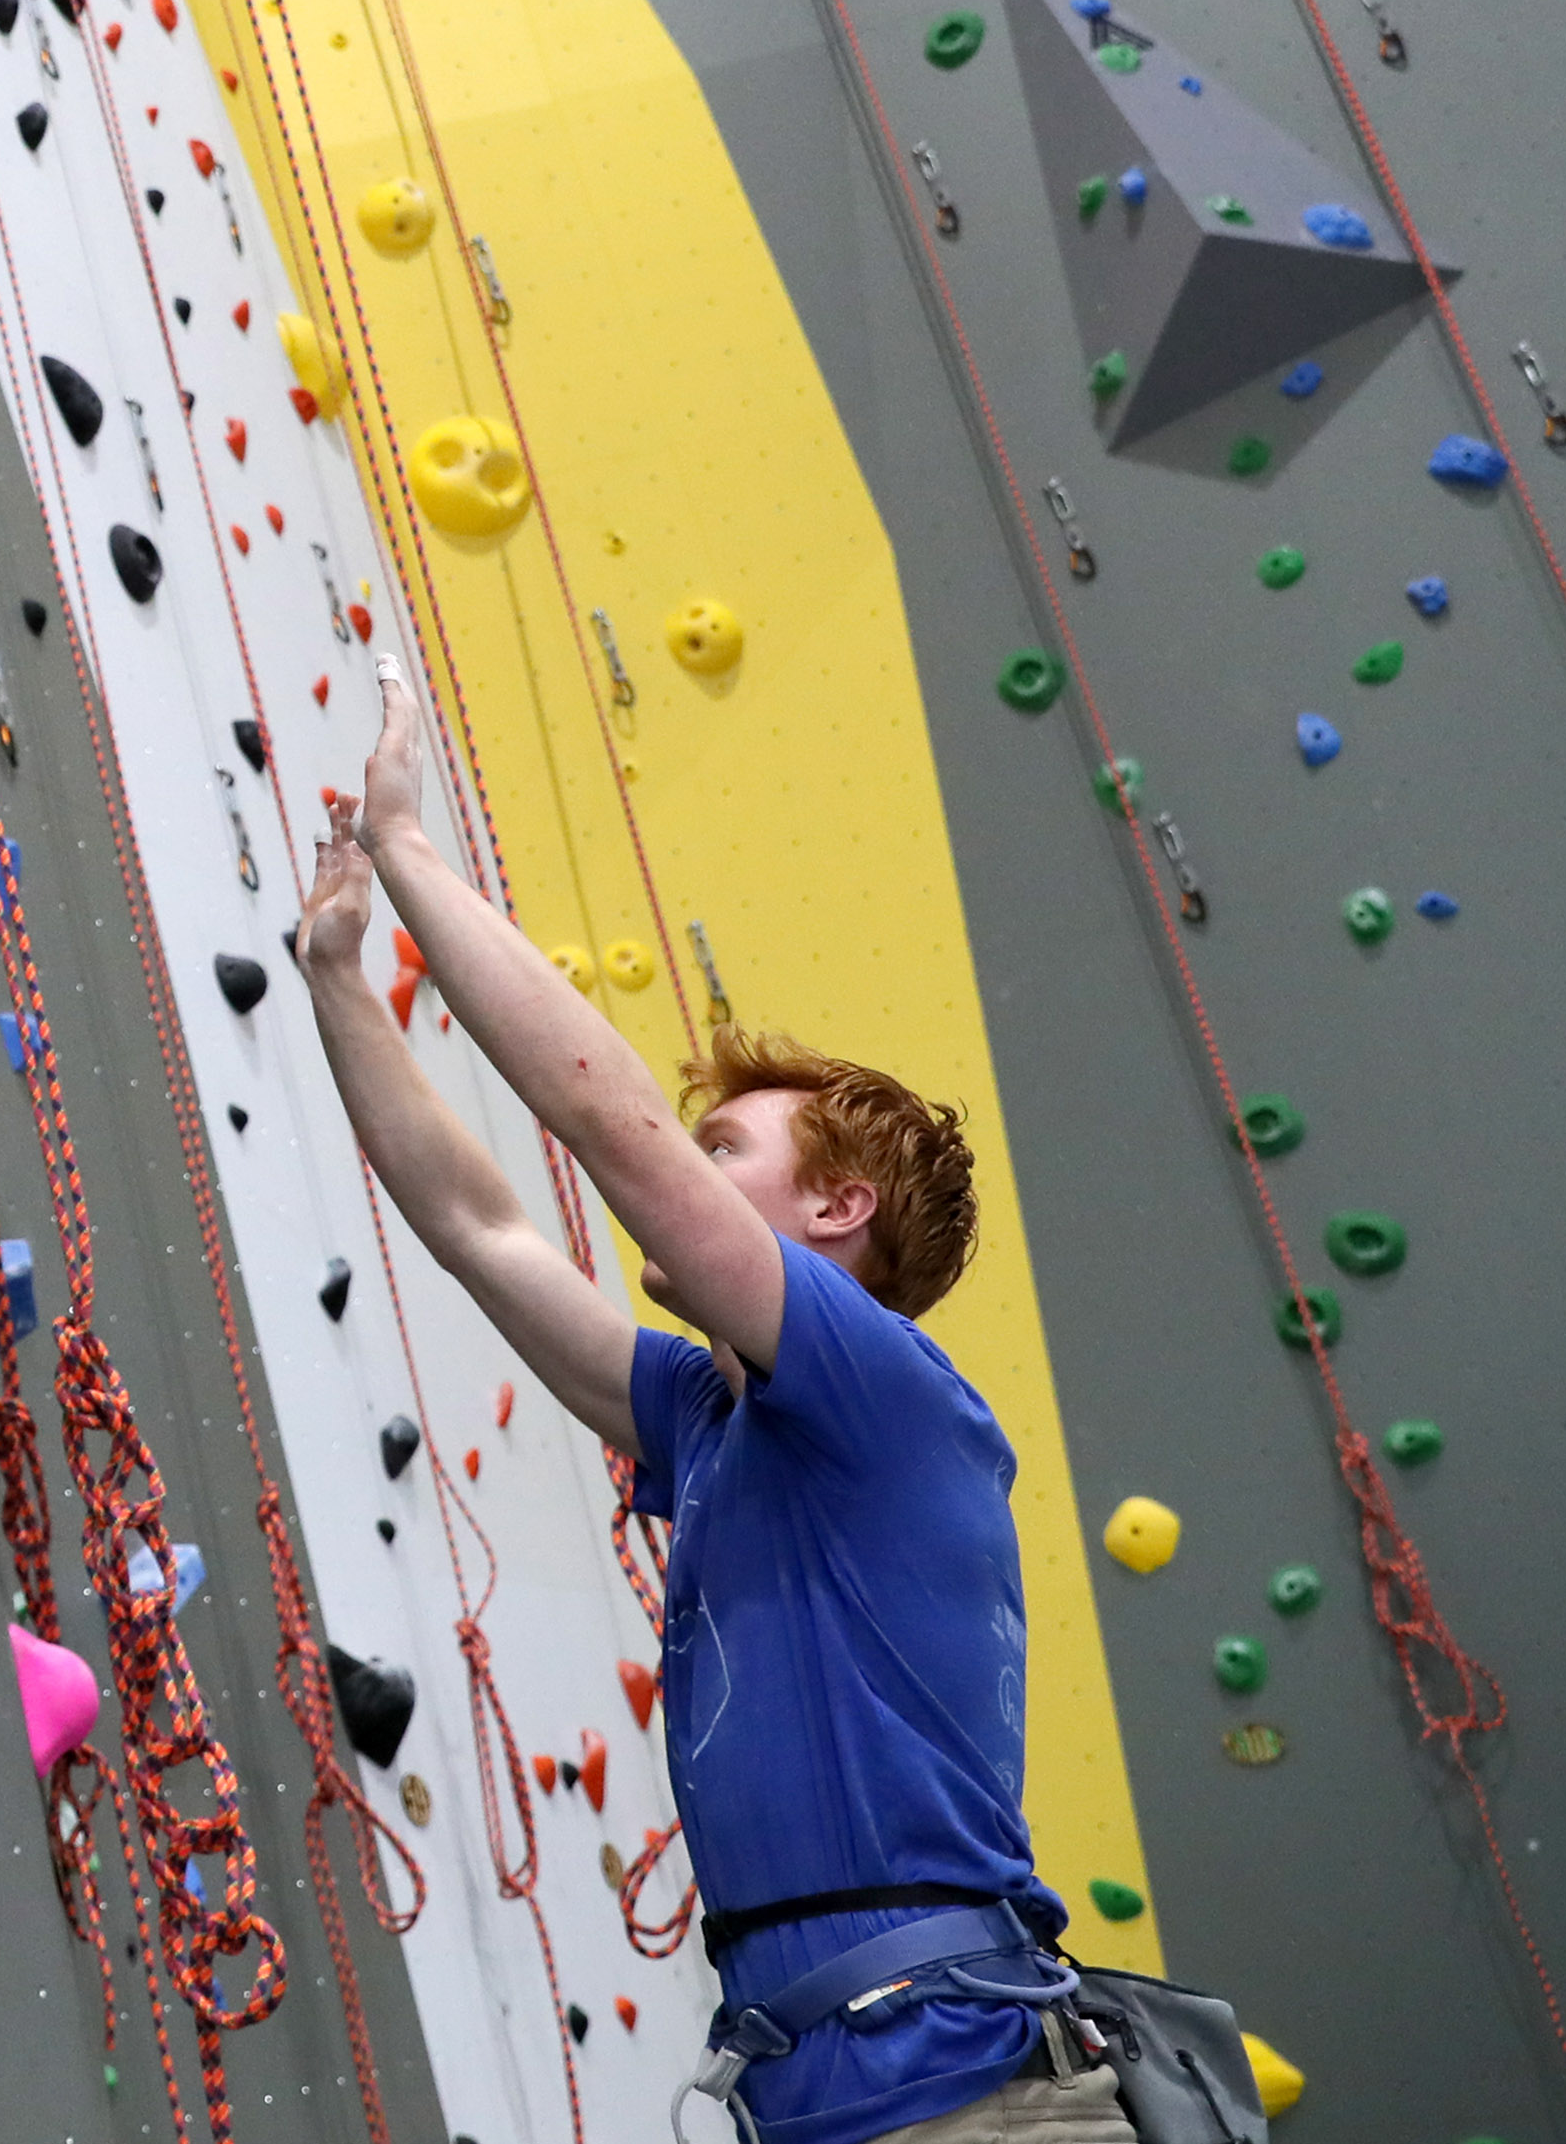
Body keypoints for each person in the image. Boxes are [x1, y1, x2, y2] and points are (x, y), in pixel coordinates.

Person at [298, 665, 1123, 2144]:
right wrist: (335, 971)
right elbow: (482, 1226)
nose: (685, 1163)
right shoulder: (714, 1414)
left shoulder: (887, 1387)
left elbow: (604, 1123)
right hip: (836, 2106)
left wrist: (408, 843)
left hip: (975, 2102)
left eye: (726, 1146)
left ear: (838, 1208)